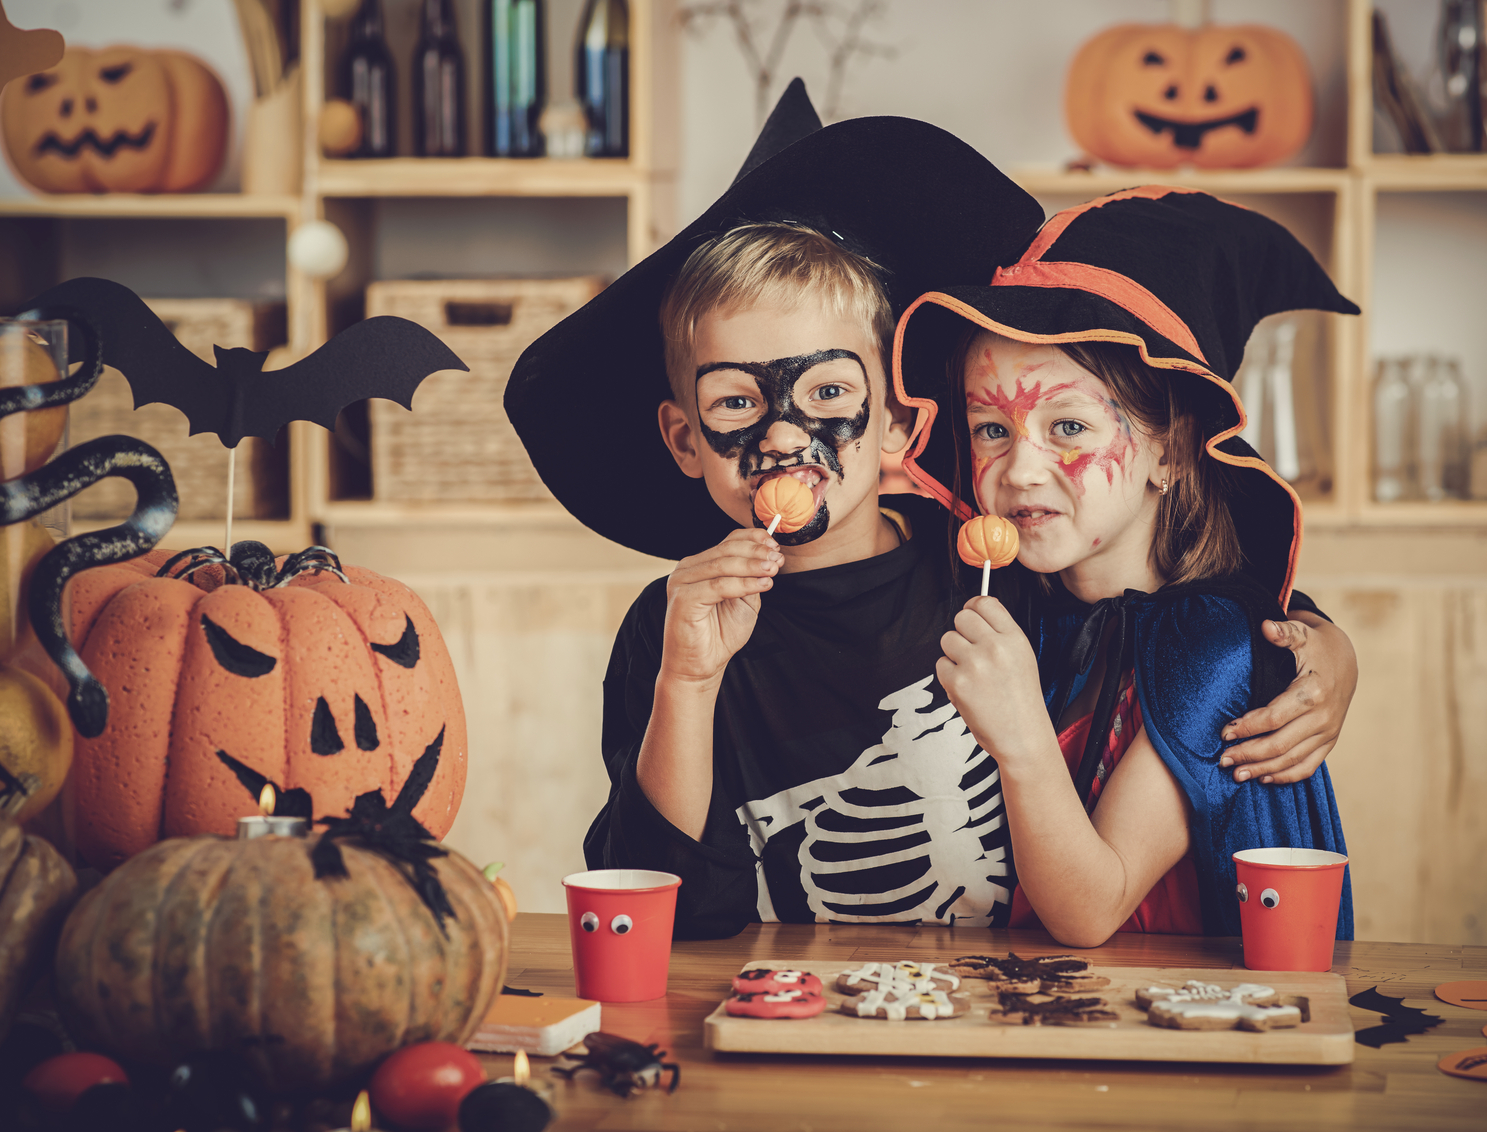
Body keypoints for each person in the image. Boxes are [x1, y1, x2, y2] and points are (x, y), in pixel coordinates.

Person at [506, 86, 1357, 938]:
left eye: (827, 392)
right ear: (684, 438)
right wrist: (686, 685)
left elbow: (1172, 617)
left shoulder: (995, 572)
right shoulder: (673, 631)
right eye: (735, 404)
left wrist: (1317, 646)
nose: (782, 438)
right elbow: (659, 922)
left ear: (900, 425)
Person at [895, 187, 1356, 948]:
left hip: (1185, 1032)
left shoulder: (1213, 647)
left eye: (1068, 426)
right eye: (990, 429)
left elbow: (1090, 909)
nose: (1020, 471)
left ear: (1171, 450)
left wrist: (1018, 735)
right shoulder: (1017, 605)